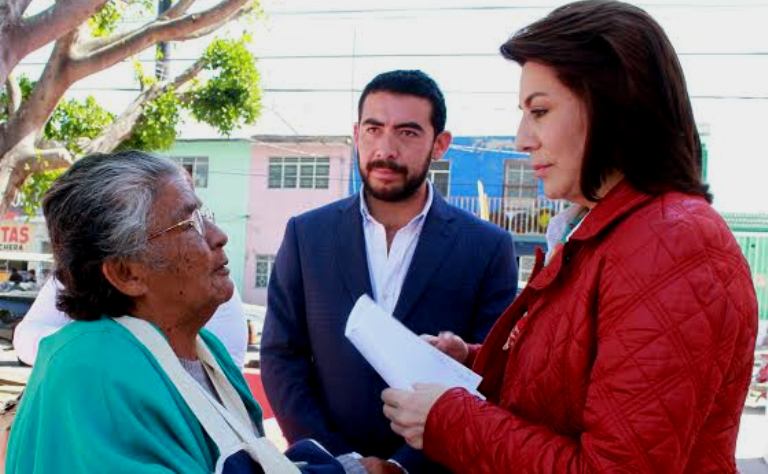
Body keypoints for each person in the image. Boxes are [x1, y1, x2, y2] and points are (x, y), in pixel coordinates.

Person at [381, 2, 758, 472]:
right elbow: (576, 380)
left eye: (539, 111)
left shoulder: (676, 244)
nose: (522, 138)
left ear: (613, 105)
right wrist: (474, 364)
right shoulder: (605, 231)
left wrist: (451, 420)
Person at [5, 151, 341, 473]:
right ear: (127, 273)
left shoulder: (206, 350)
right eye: (189, 223)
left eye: (204, 216)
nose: (219, 236)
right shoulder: (90, 370)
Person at [260, 70, 518, 473]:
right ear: (356, 134)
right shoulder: (307, 235)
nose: (386, 148)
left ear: (440, 144)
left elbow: (493, 378)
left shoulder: (487, 247)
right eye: (373, 129)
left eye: (408, 132)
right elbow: (281, 356)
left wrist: (400, 466)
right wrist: (341, 462)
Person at [13, 276, 248, 367]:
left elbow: (225, 368)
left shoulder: (211, 282)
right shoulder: (82, 270)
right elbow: (26, 335)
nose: (217, 235)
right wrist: (91, 347)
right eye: (186, 220)